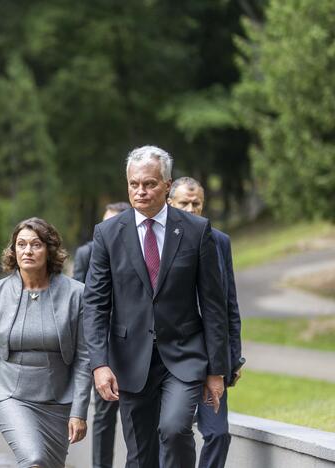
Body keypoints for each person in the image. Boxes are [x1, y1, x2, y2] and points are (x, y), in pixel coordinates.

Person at [84, 145, 228, 468]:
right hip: (130, 359)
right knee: (140, 455)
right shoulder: (108, 234)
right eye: (134, 184)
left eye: (149, 184)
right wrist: (99, 364)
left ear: (167, 184)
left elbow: (214, 305)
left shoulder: (195, 231)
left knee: (175, 430)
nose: (140, 191)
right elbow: (94, 304)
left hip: (184, 354)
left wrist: (216, 370)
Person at [0, 218, 91, 467]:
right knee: (34, 458)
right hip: (10, 394)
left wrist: (79, 411)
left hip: (58, 399)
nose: (28, 251)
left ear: (49, 250)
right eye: (21, 244)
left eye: (36, 244)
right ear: (13, 251)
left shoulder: (76, 293)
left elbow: (84, 358)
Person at [168, 177, 243, 468]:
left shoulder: (219, 241)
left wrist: (232, 358)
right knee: (173, 433)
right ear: (170, 203)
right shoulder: (160, 242)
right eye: (184, 203)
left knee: (218, 433)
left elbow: (229, 305)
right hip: (175, 357)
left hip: (212, 360)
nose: (190, 208)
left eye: (196, 203)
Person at [72, 202, 130, 468]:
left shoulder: (139, 249)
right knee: (104, 416)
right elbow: (84, 304)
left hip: (136, 345)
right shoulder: (87, 253)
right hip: (104, 348)